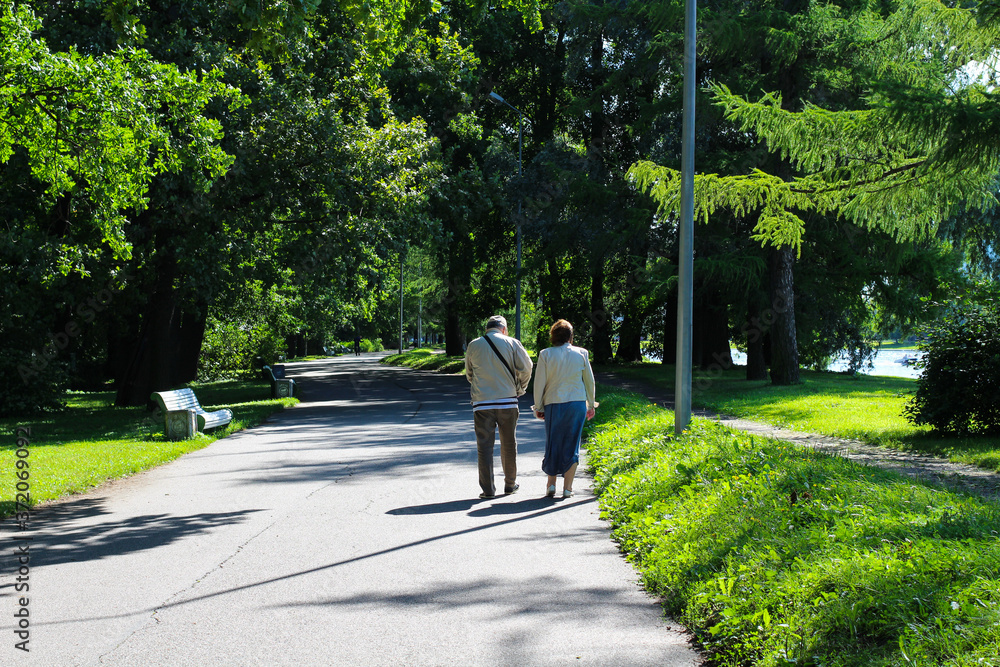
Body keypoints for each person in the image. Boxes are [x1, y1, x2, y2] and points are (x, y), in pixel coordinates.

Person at [465, 315, 533, 499]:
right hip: (508, 401)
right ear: (503, 329)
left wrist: (480, 387)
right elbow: (527, 367)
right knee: (508, 443)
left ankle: (488, 490)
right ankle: (510, 484)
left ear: (487, 329)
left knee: (484, 446)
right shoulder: (512, 343)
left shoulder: (473, 345)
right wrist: (521, 387)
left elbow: (469, 373)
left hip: (482, 403)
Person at [532, 319, 596, 498]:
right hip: (577, 403)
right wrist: (591, 404)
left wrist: (539, 406)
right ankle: (568, 488)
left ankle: (551, 484)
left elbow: (539, 384)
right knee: (572, 443)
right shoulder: (582, 353)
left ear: (553, 336)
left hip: (553, 403)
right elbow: (589, 381)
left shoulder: (545, 354)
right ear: (571, 336)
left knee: (554, 442)